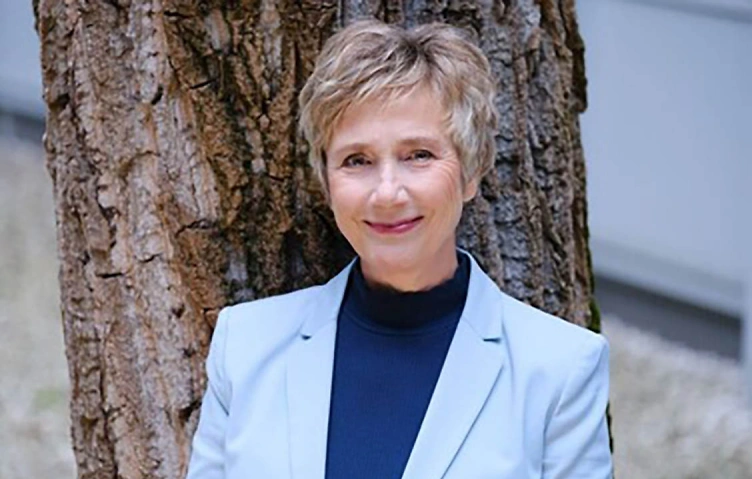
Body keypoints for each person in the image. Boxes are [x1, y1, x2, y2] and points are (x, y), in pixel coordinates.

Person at [186, 19, 612, 479]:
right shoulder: (245, 347)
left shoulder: (561, 370)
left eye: (419, 155)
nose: (387, 192)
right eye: (357, 160)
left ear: (471, 171)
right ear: (326, 182)